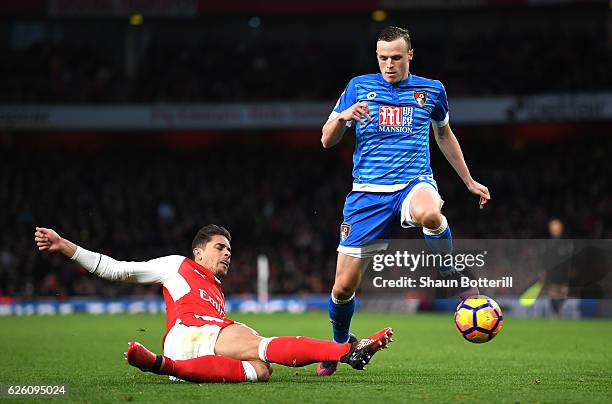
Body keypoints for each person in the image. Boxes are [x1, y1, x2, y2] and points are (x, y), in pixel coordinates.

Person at [317, 26, 490, 376]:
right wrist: (342, 117)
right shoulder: (357, 87)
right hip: (367, 195)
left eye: (396, 57)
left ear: (410, 55)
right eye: (383, 58)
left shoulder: (431, 90)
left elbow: (444, 135)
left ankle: (446, 269)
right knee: (342, 287)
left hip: (414, 182)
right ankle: (339, 346)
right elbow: (326, 140)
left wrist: (468, 180)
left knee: (431, 213)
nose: (389, 65)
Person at [34, 225, 393, 383]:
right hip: (189, 333)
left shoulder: (216, 291)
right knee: (258, 344)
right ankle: (346, 351)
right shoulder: (176, 265)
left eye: (230, 251)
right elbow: (116, 270)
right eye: (220, 248)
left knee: (262, 369)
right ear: (198, 251)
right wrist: (66, 246)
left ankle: (163, 367)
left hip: (198, 348)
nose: (227, 255)